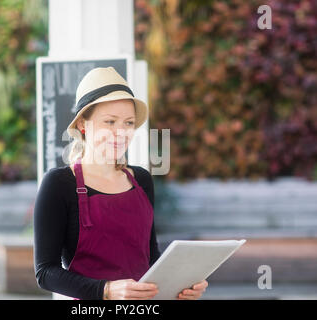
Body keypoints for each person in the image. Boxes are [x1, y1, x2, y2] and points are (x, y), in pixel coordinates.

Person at [33, 66, 208, 300]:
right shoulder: (60, 184)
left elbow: (149, 257)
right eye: (110, 122)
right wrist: (106, 290)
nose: (121, 133)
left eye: (128, 123)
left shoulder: (141, 180)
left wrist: (180, 285)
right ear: (84, 125)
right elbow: (45, 273)